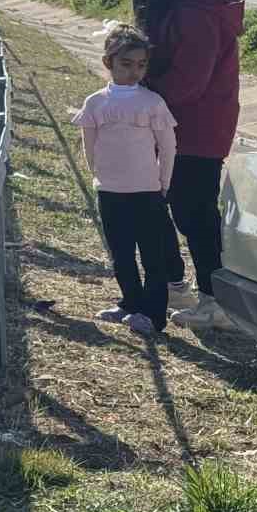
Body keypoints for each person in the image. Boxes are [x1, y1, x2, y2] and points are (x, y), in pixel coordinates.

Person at [128, 0, 245, 331]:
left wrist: (145, 91)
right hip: (197, 123)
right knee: (189, 209)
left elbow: (190, 80)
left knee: (194, 213)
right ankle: (202, 291)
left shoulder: (197, 9)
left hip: (196, 126)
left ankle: (217, 300)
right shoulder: (196, 1)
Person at [74, 25, 178, 336]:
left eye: (141, 65)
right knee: (121, 254)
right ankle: (130, 303)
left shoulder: (152, 103)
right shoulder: (96, 103)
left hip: (147, 192)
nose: (135, 71)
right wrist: (98, 175)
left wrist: (163, 182)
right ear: (109, 63)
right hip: (110, 192)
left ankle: (154, 315)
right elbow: (88, 144)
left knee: (153, 256)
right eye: (126, 64)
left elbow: (169, 145)